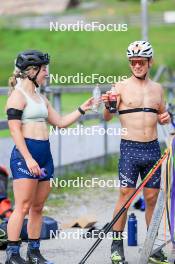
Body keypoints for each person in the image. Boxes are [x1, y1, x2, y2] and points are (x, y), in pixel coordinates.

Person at [5, 50, 94, 264]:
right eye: (44, 69)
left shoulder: (40, 97)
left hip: (44, 155)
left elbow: (60, 122)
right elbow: (15, 131)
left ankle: (34, 252)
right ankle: (13, 254)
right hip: (26, 156)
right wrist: (28, 158)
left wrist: (83, 108)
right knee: (22, 206)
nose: (47, 73)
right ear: (31, 71)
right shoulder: (18, 96)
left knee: (37, 207)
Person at [102, 40, 170, 264]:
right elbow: (107, 116)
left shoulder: (158, 89)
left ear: (150, 62)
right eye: (133, 62)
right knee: (126, 194)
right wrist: (108, 105)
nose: (137, 66)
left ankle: (152, 246)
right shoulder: (119, 86)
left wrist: (166, 119)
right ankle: (116, 246)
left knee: (152, 198)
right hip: (130, 147)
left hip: (152, 148)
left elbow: (163, 116)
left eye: (141, 62)